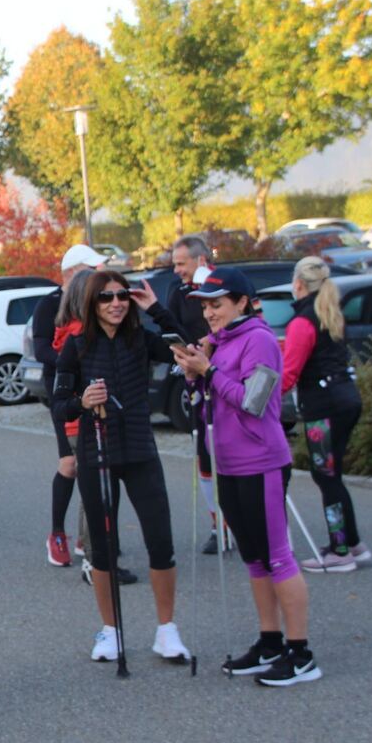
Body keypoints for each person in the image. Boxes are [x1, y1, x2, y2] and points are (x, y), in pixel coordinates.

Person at [173, 267, 321, 686]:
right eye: (204, 306)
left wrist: (209, 373)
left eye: (216, 304)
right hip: (230, 463)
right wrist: (193, 379)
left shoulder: (259, 339)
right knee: (254, 558)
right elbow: (207, 404)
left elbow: (254, 402)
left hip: (263, 461)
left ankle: (301, 652)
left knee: (277, 555)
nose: (209, 313)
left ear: (242, 302)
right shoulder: (219, 343)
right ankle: (270, 641)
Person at [50, 271, 190, 663]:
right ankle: (110, 631)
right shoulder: (75, 346)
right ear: (91, 304)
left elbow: (187, 348)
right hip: (97, 457)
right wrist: (82, 399)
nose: (116, 303)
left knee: (161, 541)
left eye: (122, 296)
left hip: (141, 452)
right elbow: (59, 405)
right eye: (106, 297)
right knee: (103, 549)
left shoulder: (141, 339)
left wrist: (157, 310)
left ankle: (167, 630)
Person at [44, 248, 139, 586]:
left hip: (74, 417)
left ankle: (93, 552)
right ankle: (94, 558)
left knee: (92, 486)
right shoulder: (79, 334)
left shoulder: (68, 327)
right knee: (95, 489)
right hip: (82, 416)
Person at [282, 256, 371, 573]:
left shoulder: (302, 323)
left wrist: (256, 396)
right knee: (334, 475)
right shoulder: (330, 315)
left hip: (323, 407)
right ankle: (353, 542)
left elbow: (288, 374)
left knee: (326, 476)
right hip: (346, 398)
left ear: (299, 284)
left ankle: (340, 550)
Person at [32, 245, 103, 567]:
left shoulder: (93, 303)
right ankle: (57, 533)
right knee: (70, 464)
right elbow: (41, 348)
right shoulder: (49, 304)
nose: (98, 277)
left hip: (91, 391)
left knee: (90, 463)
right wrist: (69, 361)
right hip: (61, 391)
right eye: (92, 269)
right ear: (73, 271)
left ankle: (87, 540)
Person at [166, 236, 225, 555]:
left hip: (226, 378)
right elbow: (172, 329)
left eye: (180, 264)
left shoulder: (226, 285)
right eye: (174, 264)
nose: (176, 270)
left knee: (230, 454)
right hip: (195, 381)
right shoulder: (178, 291)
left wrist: (213, 341)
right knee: (204, 454)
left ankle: (245, 520)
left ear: (201, 261)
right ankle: (218, 524)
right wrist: (181, 352)